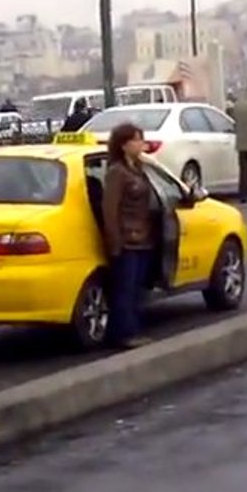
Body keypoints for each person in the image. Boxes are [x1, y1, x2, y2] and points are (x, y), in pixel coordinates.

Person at [101, 122, 156, 350]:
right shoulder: (117, 172)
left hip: (143, 237)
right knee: (125, 288)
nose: (141, 143)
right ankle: (123, 333)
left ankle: (133, 329)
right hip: (127, 239)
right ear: (124, 145)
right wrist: (115, 242)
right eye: (136, 139)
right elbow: (110, 209)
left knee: (137, 289)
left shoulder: (138, 168)